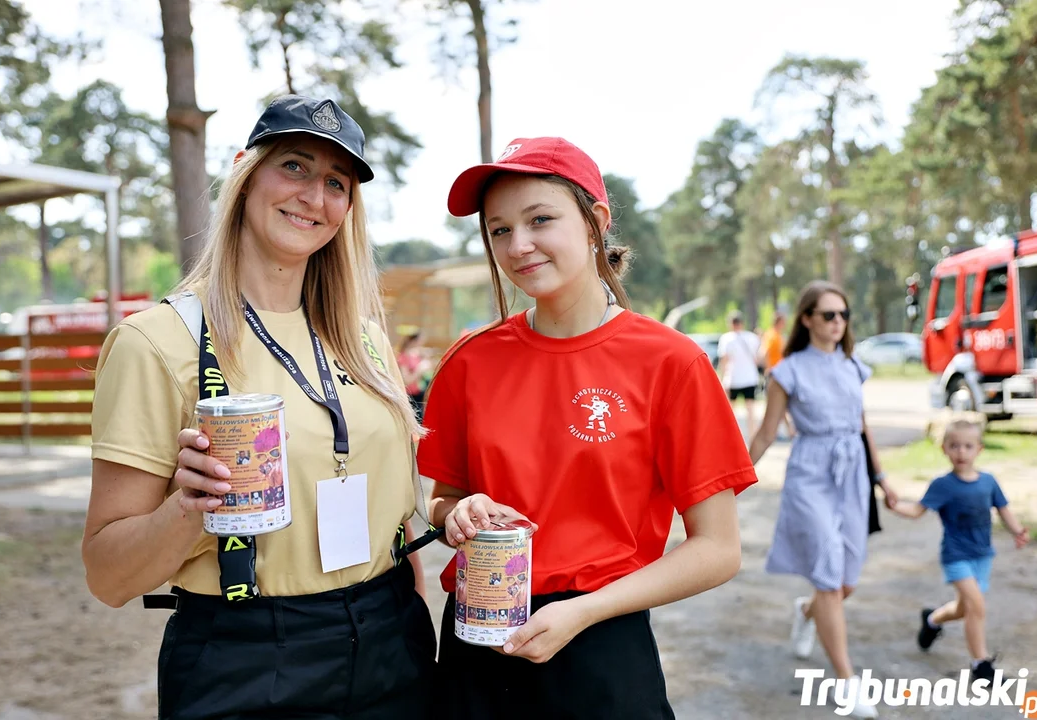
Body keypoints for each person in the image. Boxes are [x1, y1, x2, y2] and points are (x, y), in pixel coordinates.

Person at [82, 95, 435, 719]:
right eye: (294, 167)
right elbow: (108, 577)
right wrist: (187, 510)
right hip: (248, 657)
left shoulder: (365, 340)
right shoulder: (157, 342)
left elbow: (393, 500)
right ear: (246, 175)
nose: (313, 196)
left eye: (336, 182)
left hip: (391, 639)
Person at [417, 136, 756, 719]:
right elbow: (443, 499)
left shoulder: (670, 363)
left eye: (540, 219)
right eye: (499, 230)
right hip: (477, 643)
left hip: (600, 644)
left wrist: (585, 611)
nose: (518, 245)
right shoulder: (468, 361)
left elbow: (718, 550)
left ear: (595, 221)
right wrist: (457, 512)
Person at [747, 280, 898, 720]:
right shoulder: (787, 371)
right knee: (830, 578)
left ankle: (806, 611)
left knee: (846, 580)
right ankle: (848, 684)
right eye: (829, 314)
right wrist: (732, 481)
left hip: (853, 474)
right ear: (808, 318)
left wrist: (883, 478)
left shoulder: (854, 365)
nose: (838, 323)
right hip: (811, 474)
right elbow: (765, 432)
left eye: (843, 315)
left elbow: (864, 425)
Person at [887, 419, 1029, 681]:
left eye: (967, 446)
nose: (961, 452)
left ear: (979, 449)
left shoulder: (988, 481)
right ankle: (981, 666)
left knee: (965, 609)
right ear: (944, 449)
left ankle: (932, 620)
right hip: (956, 556)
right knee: (977, 607)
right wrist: (896, 506)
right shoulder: (943, 485)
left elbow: (1003, 508)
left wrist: (1017, 531)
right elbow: (918, 510)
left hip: (982, 555)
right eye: (954, 446)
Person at [718, 310, 762, 439]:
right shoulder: (752, 337)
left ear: (731, 323)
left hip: (733, 379)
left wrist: (722, 379)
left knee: (731, 412)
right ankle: (752, 437)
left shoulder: (726, 338)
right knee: (751, 411)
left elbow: (724, 361)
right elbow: (758, 358)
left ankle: (731, 438)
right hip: (750, 378)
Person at [759, 312, 794, 439]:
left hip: (781, 373)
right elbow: (764, 353)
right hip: (774, 373)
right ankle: (781, 431)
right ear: (779, 322)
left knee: (782, 404)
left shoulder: (778, 335)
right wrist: (768, 368)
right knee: (776, 404)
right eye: (784, 322)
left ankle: (788, 430)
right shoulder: (771, 336)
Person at [396, 326, 432, 421]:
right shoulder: (403, 357)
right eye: (420, 340)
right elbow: (406, 381)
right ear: (413, 341)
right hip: (410, 398)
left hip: (418, 395)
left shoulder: (415, 355)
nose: (422, 343)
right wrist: (420, 370)